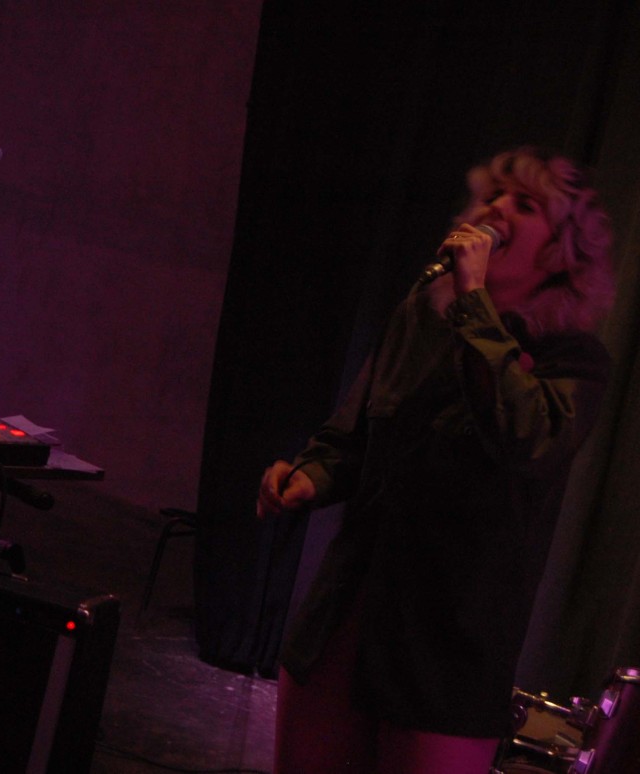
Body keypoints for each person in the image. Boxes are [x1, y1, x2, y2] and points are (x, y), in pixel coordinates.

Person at [257, 147, 616, 774]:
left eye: (524, 204)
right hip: (346, 624)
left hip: (446, 652)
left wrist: (474, 301)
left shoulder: (573, 360)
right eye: (495, 195)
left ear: (562, 251)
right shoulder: (419, 320)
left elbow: (526, 438)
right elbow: (352, 439)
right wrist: (308, 478)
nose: (497, 209)